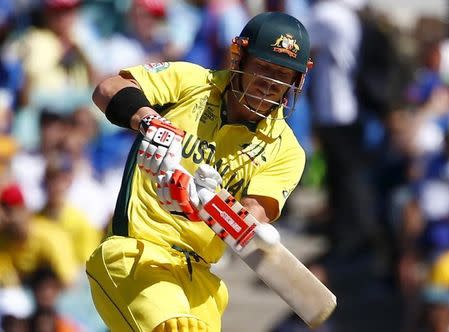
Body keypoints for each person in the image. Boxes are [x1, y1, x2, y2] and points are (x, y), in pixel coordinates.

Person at [87, 12, 312, 331]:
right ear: (240, 58)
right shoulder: (192, 82)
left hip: (200, 281)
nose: (269, 84)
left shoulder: (287, 151)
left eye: (282, 75)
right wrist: (152, 123)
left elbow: (252, 218)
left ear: (296, 80)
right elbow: (109, 88)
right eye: (262, 68)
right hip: (135, 256)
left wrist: (204, 202)